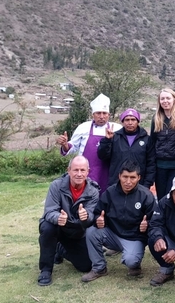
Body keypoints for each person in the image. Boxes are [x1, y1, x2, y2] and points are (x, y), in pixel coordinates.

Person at [82, 160, 156, 282]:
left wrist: (147, 225)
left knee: (131, 261)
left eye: (132, 177)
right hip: (113, 235)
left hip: (134, 237)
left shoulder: (146, 196)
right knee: (91, 231)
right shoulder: (110, 192)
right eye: (125, 177)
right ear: (119, 176)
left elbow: (156, 222)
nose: (128, 181)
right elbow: (97, 213)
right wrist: (98, 220)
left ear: (139, 178)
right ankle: (99, 268)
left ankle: (134, 262)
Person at [37, 156, 99, 286]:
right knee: (47, 227)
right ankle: (45, 270)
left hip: (76, 231)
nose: (79, 174)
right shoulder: (56, 185)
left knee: (86, 266)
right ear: (69, 170)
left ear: (88, 171)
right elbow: (49, 212)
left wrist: (86, 216)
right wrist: (58, 218)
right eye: (75, 170)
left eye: (83, 170)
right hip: (57, 227)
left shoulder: (94, 191)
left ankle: (60, 249)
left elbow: (91, 218)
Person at [56, 93, 122, 194]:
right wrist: (65, 145)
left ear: (109, 115)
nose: (101, 116)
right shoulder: (83, 127)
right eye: (98, 113)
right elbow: (73, 147)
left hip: (109, 172)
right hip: (87, 172)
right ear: (93, 115)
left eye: (104, 113)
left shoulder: (117, 128)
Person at [97, 108, 155, 189]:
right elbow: (102, 156)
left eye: (133, 120)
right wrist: (107, 140)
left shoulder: (147, 139)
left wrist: (147, 184)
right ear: (123, 122)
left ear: (138, 121)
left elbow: (151, 164)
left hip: (139, 185)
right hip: (116, 183)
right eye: (127, 120)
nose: (130, 123)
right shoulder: (114, 137)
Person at [150, 88, 175, 199]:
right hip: (160, 166)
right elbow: (152, 142)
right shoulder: (156, 119)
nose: (165, 101)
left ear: (174, 100)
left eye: (168, 98)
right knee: (162, 197)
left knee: (174, 196)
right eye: (162, 98)